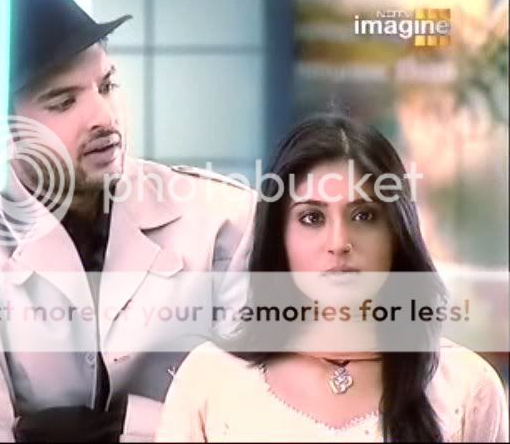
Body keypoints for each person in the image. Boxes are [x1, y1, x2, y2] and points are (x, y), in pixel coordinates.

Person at [0, 0, 256, 442]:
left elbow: (262, 415)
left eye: (107, 85)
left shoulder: (224, 220)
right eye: (63, 102)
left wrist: (127, 427)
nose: (104, 117)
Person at [155, 114, 509, 442]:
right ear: (278, 236)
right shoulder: (210, 378)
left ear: (397, 232)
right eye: (312, 218)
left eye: (364, 215)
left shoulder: (467, 386)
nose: (339, 243)